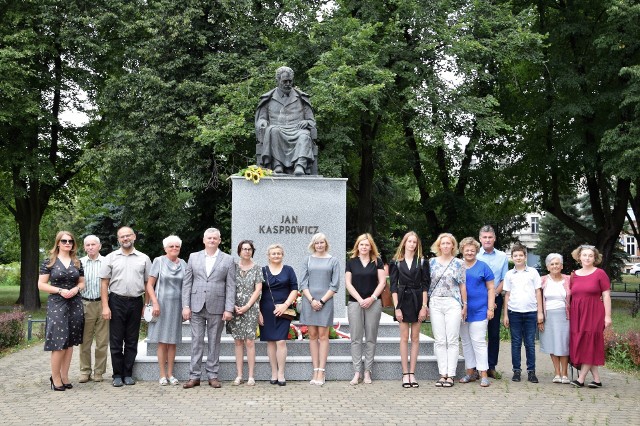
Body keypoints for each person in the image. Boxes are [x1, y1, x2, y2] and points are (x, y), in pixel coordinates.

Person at [182, 228, 236, 389]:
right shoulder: (193, 257)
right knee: (196, 342)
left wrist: (229, 309)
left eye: (215, 238)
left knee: (214, 342)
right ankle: (194, 376)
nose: (212, 240)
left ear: (219, 240)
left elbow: (231, 286)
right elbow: (187, 283)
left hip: (218, 306)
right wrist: (186, 305)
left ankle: (213, 375)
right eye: (209, 238)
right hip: (196, 305)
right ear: (204, 240)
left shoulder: (228, 259)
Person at [100, 226, 151, 387]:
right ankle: (117, 374)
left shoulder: (143, 258)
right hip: (116, 301)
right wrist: (105, 306)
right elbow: (104, 283)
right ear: (118, 239)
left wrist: (146, 304)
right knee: (116, 340)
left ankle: (128, 374)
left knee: (131, 339)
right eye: (122, 237)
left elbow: (148, 283)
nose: (125, 239)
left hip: (136, 302)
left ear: (134, 237)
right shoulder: (111, 257)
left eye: (128, 235)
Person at [38, 231, 85, 391]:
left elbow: (82, 283)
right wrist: (59, 290)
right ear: (58, 243)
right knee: (59, 341)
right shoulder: (49, 262)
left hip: (75, 302)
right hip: (57, 303)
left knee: (70, 341)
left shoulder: (77, 262)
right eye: (64, 241)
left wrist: (76, 289)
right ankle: (55, 377)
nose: (67, 243)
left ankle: (65, 376)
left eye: (70, 241)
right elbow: (41, 284)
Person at [255, 66, 317, 175]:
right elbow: (261, 118)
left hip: (297, 129)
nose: (288, 83)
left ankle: (300, 165)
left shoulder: (301, 98)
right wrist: (262, 122)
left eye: (290, 81)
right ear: (278, 81)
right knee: (273, 131)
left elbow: (311, 121)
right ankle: (277, 165)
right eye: (285, 81)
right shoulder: (268, 99)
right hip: (277, 129)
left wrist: (307, 122)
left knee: (304, 136)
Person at [389, 231, 430, 388]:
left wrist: (424, 307)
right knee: (404, 338)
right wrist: (397, 308)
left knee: (416, 338)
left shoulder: (422, 262)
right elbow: (393, 287)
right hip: (402, 300)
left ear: (417, 244)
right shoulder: (396, 262)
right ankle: (405, 373)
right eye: (409, 241)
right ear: (404, 243)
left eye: (414, 242)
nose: (412, 244)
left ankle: (413, 373)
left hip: (418, 299)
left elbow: (425, 285)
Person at [299, 233, 340, 386]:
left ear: (326, 243)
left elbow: (335, 285)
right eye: (317, 243)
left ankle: (322, 371)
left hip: (326, 301)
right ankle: (314, 369)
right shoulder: (307, 260)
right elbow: (303, 283)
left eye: (322, 242)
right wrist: (312, 300)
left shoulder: (333, 261)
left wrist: (321, 301)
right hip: (309, 301)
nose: (320, 245)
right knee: (313, 335)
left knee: (323, 336)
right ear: (313, 244)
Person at [345, 233, 386, 385]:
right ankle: (357, 372)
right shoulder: (351, 262)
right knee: (356, 339)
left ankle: (367, 371)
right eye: (361, 244)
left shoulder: (377, 262)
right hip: (355, 303)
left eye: (366, 245)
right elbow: (348, 283)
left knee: (370, 338)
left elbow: (382, 283)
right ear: (358, 246)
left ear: (370, 247)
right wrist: (361, 300)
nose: (364, 247)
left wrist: (372, 298)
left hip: (373, 303)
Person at [569, 245, 612, 388]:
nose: (587, 258)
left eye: (590, 255)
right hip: (578, 314)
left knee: (589, 342)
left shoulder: (600, 273)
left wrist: (608, 316)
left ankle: (580, 379)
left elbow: (606, 295)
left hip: (594, 313)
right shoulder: (574, 275)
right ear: (579, 257)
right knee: (584, 343)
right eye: (584, 255)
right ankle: (597, 380)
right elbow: (571, 294)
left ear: (595, 258)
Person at [146, 235, 186, 386]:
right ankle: (162, 375)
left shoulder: (183, 263)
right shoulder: (159, 261)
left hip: (177, 306)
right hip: (161, 305)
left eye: (177, 246)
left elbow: (187, 285)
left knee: (173, 341)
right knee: (162, 341)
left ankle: (171, 374)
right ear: (165, 248)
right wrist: (154, 303)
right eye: (171, 246)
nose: (174, 249)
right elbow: (150, 285)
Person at [428, 233, 467, 388]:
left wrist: (465, 304)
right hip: (436, 302)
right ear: (439, 245)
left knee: (451, 339)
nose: (445, 246)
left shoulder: (459, 263)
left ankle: (450, 374)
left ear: (453, 246)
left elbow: (462, 285)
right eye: (442, 243)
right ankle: (442, 373)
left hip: (453, 302)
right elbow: (427, 284)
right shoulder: (431, 262)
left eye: (448, 243)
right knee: (439, 340)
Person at [259, 243, 299, 386]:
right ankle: (273, 372)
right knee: (270, 341)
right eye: (273, 253)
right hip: (266, 309)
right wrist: (258, 312)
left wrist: (285, 305)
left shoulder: (289, 270)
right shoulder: (262, 270)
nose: (276, 255)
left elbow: (294, 288)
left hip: (283, 309)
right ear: (268, 256)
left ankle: (281, 373)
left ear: (282, 255)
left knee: (281, 341)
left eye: (278, 253)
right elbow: (257, 292)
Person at [503, 243, 543, 383]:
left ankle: (531, 371)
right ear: (512, 258)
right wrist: (506, 315)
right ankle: (516, 371)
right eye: (515, 256)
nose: (518, 258)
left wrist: (540, 312)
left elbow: (538, 292)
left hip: (531, 312)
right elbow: (507, 295)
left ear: (525, 257)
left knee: (530, 343)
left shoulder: (533, 272)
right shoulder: (509, 274)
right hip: (514, 313)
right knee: (515, 343)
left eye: (521, 255)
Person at [458, 237, 495, 387]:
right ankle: (469, 373)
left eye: (472, 250)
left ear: (476, 251)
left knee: (478, 341)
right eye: (467, 250)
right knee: (466, 342)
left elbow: (491, 288)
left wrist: (490, 308)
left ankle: (483, 373)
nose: (469, 252)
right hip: (461, 311)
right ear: (462, 251)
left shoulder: (483, 266)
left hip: (479, 310)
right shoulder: (457, 266)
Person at [226, 240, 262, 386]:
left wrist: (247, 306)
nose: (247, 251)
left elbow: (258, 289)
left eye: (249, 249)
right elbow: (228, 286)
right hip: (235, 308)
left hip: (251, 308)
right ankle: (239, 375)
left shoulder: (257, 268)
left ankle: (251, 376)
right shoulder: (232, 267)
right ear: (239, 251)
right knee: (238, 341)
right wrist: (232, 305)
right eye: (244, 249)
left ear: (252, 251)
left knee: (249, 341)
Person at [476, 225, 509, 379]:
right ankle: (477, 367)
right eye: (484, 237)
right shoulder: (474, 255)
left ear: (494, 238)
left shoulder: (502, 256)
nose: (487, 240)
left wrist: (494, 295)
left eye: (490, 237)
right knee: (477, 334)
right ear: (480, 239)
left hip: (495, 298)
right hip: (477, 300)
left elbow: (504, 279)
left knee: (494, 334)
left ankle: (491, 366)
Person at [78, 234, 108, 383]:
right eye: (87, 245)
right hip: (85, 304)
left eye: (93, 244)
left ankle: (99, 372)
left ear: (99, 246)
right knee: (85, 341)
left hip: (103, 304)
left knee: (102, 341)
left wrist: (107, 306)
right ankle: (85, 371)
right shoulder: (79, 263)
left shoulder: (107, 262)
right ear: (84, 247)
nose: (90, 247)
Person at [539, 253, 571, 384]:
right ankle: (557, 372)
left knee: (564, 344)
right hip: (548, 315)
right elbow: (538, 299)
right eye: (552, 264)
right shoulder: (542, 280)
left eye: (557, 263)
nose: (555, 266)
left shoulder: (569, 279)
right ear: (547, 267)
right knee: (552, 343)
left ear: (562, 266)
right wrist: (539, 317)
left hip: (565, 315)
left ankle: (565, 373)